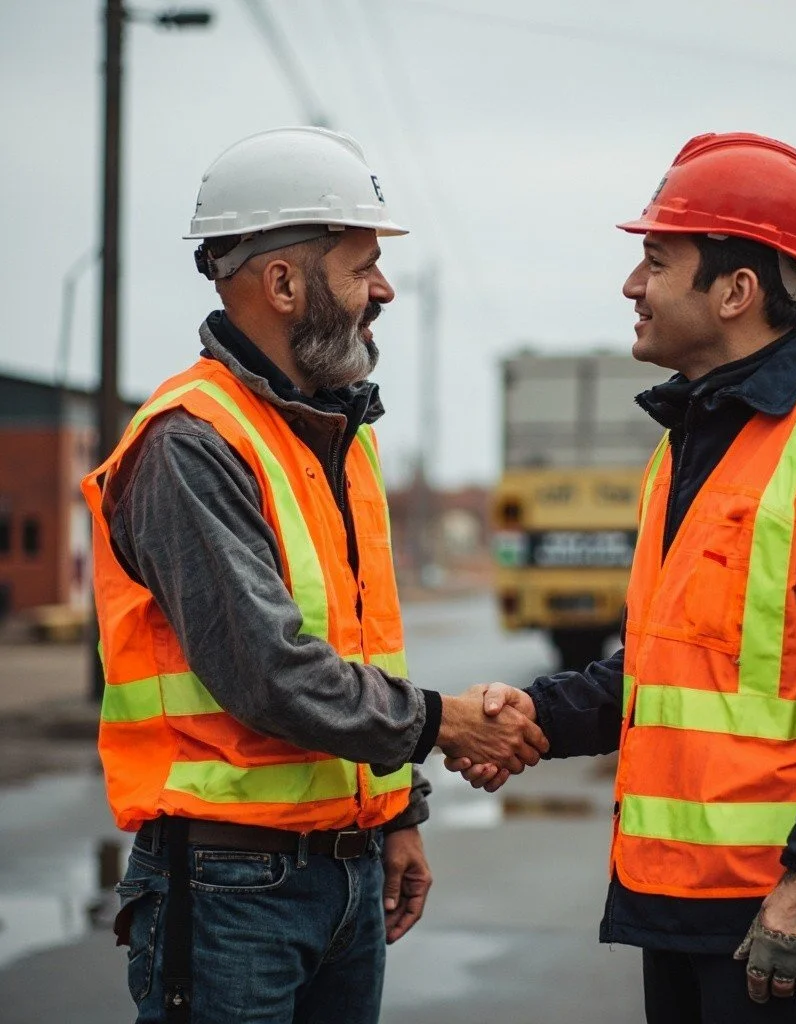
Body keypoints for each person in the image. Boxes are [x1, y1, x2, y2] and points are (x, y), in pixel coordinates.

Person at [448, 132, 796, 1023]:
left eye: (655, 259)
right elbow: (669, 671)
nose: (631, 286)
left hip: (782, 907)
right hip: (684, 899)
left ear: (735, 291)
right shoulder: (691, 446)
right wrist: (536, 717)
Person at [82, 126, 547, 1024]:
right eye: (361, 265)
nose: (384, 289)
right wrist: (441, 724)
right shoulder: (191, 442)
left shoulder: (335, 435)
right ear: (284, 283)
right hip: (228, 890)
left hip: (346, 867)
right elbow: (268, 670)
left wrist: (396, 812)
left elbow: (358, 646)